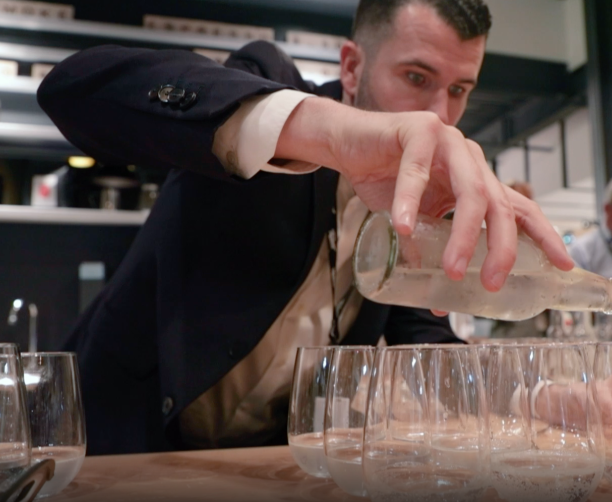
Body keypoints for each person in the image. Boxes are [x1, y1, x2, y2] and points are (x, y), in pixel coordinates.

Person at [37, 0, 573, 455]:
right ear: (351, 67)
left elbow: (423, 337)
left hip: (259, 465)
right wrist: (334, 136)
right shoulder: (269, 81)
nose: (440, 114)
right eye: (417, 78)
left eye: (460, 89)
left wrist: (540, 397)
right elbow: (74, 86)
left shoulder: (412, 202)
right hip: (114, 439)